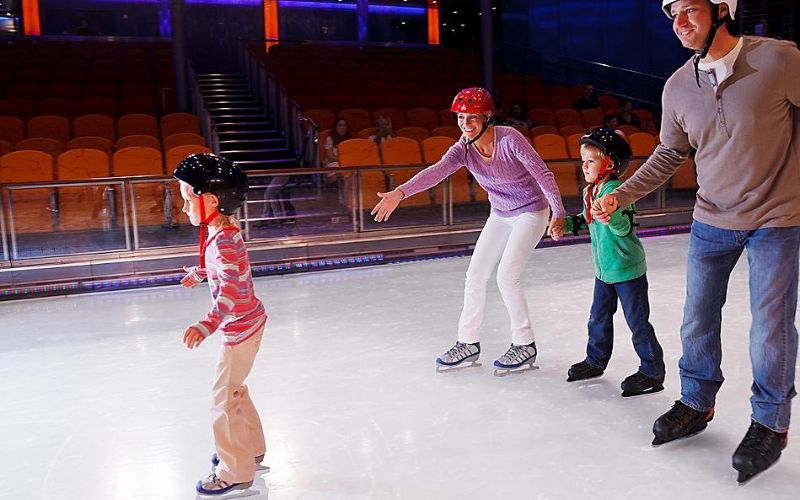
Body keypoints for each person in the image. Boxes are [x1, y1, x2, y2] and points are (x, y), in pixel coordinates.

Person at [592, 0, 800, 483]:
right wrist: (620, 195)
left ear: (721, 10)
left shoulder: (777, 59)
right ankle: (697, 401)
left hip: (777, 217)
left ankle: (770, 421)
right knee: (697, 316)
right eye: (672, 15)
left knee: (769, 325)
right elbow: (669, 154)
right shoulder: (678, 86)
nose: (679, 23)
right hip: (711, 219)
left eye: (689, 11)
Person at [371, 87, 566, 375]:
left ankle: (524, 344)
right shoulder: (463, 147)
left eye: (472, 118)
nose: (465, 124)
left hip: (531, 211)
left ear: (487, 118)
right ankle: (468, 342)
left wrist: (558, 212)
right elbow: (437, 170)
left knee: (506, 276)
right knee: (475, 274)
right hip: (500, 213)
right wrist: (400, 193)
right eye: (461, 117)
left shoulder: (510, 139)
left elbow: (542, 173)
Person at [174, 153, 268, 496]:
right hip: (249, 322)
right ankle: (252, 450)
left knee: (222, 399)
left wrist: (206, 323)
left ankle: (235, 471)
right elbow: (229, 271)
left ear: (211, 200)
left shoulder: (223, 240)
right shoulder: (223, 234)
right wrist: (199, 273)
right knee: (234, 390)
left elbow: (228, 290)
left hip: (239, 328)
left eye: (188, 199)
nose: (184, 208)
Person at [563, 129, 665, 397]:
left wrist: (612, 218)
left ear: (609, 164)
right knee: (598, 318)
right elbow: (586, 220)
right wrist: (566, 224)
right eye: (582, 159)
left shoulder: (617, 192)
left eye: (591, 160)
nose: (584, 165)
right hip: (604, 270)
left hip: (627, 270)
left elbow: (626, 227)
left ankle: (653, 371)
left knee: (638, 322)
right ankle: (595, 361)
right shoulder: (591, 190)